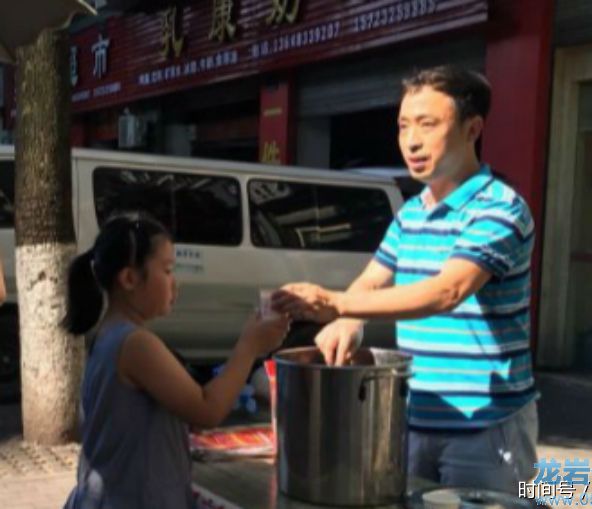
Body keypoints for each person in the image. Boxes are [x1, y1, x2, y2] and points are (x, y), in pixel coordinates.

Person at [272, 65, 538, 493]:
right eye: (403, 126)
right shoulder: (412, 213)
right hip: (412, 417)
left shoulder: (499, 208)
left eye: (427, 125)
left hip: (485, 426)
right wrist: (348, 321)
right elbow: (373, 279)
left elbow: (447, 290)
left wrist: (336, 303)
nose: (411, 141)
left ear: (472, 129)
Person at [62, 213, 289, 509]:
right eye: (167, 270)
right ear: (129, 279)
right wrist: (249, 347)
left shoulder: (110, 335)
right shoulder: (135, 344)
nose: (175, 283)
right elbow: (207, 409)